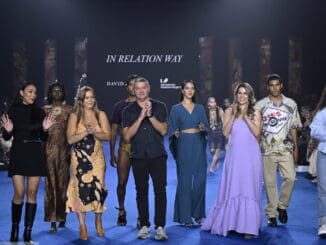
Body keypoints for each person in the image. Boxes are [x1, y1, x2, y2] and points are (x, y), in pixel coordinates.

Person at [202, 82, 262, 238]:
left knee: (248, 187)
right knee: (233, 187)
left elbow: (257, 133)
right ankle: (230, 223)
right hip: (234, 156)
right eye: (239, 93)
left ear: (249, 96)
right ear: (236, 95)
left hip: (251, 156)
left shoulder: (256, 112)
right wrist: (235, 114)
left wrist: (245, 116)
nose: (242, 96)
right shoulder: (229, 111)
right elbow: (225, 132)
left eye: (245, 93)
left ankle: (249, 227)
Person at [0, 81, 55, 243]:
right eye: (30, 91)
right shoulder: (13, 110)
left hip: (35, 153)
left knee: (32, 193)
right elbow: (7, 136)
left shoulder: (39, 112)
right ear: (22, 92)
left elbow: (44, 137)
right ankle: (15, 228)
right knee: (19, 193)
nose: (33, 95)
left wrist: (45, 129)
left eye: (35, 92)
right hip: (18, 153)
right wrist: (8, 131)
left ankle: (27, 232)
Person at [122, 77, 168, 240]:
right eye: (137, 88)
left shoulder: (160, 106)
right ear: (133, 91)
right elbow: (127, 137)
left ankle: (160, 226)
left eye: (143, 87)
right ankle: (144, 225)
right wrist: (141, 117)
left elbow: (163, 130)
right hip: (138, 156)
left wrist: (150, 115)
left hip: (157, 155)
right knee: (141, 192)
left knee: (160, 191)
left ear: (148, 89)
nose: (140, 90)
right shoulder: (127, 111)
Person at [255, 74, 302, 227]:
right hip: (267, 149)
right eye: (271, 85)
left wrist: (296, 148)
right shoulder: (260, 105)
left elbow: (294, 127)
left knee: (291, 178)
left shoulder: (291, 104)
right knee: (269, 183)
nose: (274, 87)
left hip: (285, 148)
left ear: (281, 85)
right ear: (268, 87)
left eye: (277, 84)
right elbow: (257, 129)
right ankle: (271, 214)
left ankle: (282, 206)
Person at [65, 86, 110, 240]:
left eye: (92, 97)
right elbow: (70, 139)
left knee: (98, 188)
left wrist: (96, 132)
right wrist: (85, 132)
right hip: (78, 159)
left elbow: (108, 136)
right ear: (81, 100)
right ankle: (82, 226)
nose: (90, 100)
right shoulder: (74, 116)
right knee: (80, 191)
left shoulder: (101, 114)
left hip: (97, 158)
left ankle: (98, 220)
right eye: (87, 98)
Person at [168, 80, 208, 226]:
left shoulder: (200, 108)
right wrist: (175, 134)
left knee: (200, 182)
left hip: (197, 144)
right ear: (182, 91)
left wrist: (204, 128)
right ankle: (185, 217)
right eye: (187, 88)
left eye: (192, 88)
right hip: (184, 145)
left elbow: (206, 127)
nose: (190, 91)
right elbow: (171, 129)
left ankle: (197, 213)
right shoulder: (175, 109)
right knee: (184, 183)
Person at [43, 82, 73, 232]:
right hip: (48, 151)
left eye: (59, 91)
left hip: (64, 151)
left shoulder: (70, 110)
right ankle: (52, 219)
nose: (56, 93)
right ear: (50, 93)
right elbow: (40, 133)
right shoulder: (44, 110)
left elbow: (73, 132)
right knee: (51, 184)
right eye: (53, 91)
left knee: (63, 184)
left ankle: (63, 216)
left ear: (63, 93)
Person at [110, 74, 137, 226]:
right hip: (124, 149)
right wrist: (112, 152)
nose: (133, 88)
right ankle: (121, 210)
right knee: (121, 182)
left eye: (136, 84)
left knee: (142, 184)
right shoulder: (119, 106)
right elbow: (113, 131)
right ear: (127, 87)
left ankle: (142, 216)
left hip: (141, 149)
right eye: (131, 85)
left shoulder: (145, 104)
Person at [310, 85, 326, 237]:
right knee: (323, 189)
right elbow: (314, 130)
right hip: (324, 153)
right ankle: (324, 223)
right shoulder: (322, 113)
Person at [206, 96, 224, 172]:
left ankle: (211, 168)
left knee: (216, 152)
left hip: (220, 134)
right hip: (211, 134)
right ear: (208, 103)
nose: (213, 103)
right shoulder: (206, 111)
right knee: (212, 150)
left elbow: (223, 121)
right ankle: (216, 161)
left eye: (214, 102)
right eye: (211, 102)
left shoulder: (219, 110)